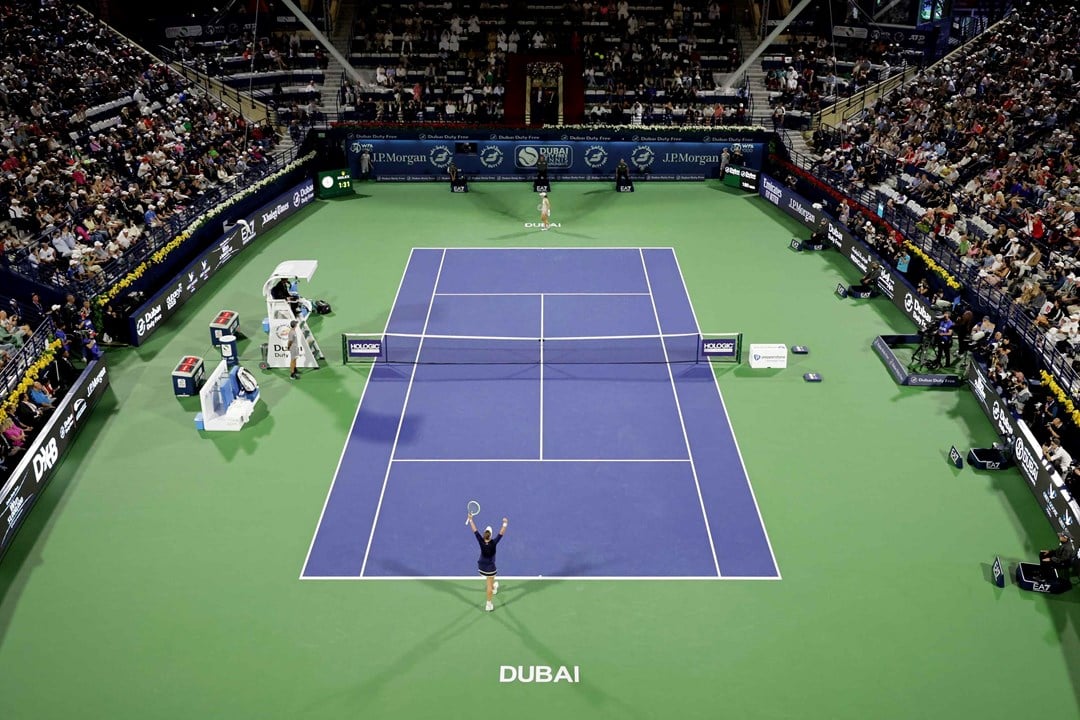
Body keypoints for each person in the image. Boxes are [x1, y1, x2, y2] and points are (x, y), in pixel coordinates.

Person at [467, 512, 508, 612]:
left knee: (492, 580)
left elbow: (474, 530)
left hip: (481, 566)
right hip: (490, 567)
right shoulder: (494, 542)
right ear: (490, 536)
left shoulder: (480, 540)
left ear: (484, 535)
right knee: (489, 585)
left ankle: (494, 587)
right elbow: (501, 533)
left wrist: (471, 519)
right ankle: (488, 604)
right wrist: (505, 523)